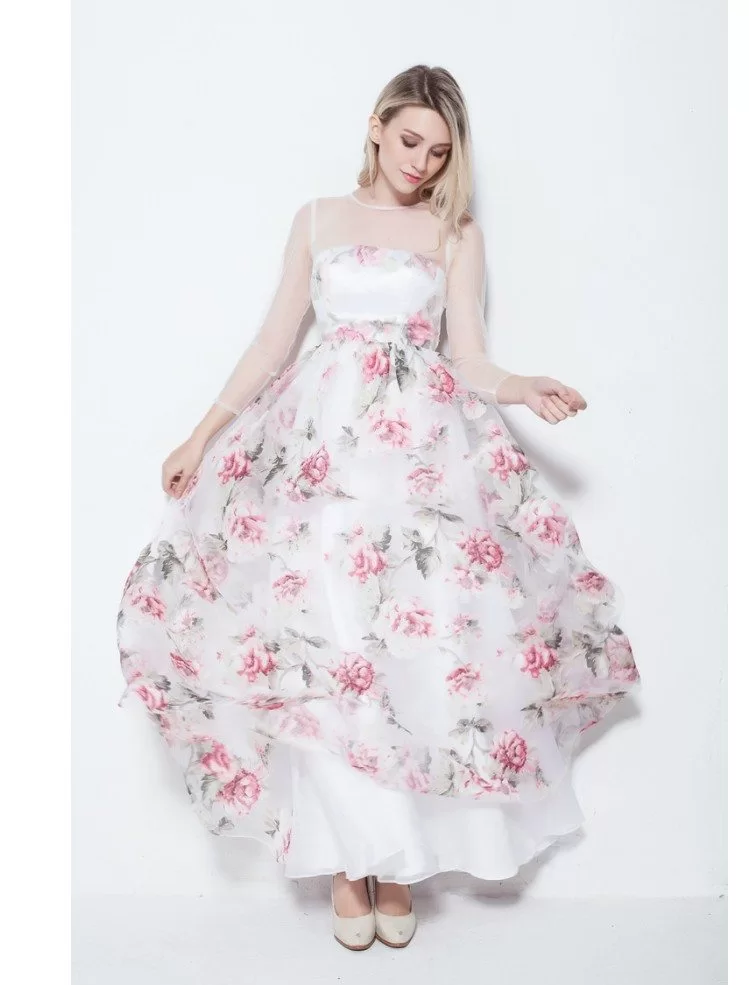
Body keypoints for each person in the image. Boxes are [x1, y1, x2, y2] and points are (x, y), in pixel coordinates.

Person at [116, 64, 641, 951]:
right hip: (321, 462)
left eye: (438, 152)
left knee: (410, 651)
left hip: (420, 469)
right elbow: (274, 343)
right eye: (409, 141)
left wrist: (520, 384)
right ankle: (346, 861)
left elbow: (468, 356)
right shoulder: (317, 219)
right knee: (332, 648)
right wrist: (201, 435)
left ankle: (395, 858)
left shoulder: (455, 231)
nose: (420, 164)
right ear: (375, 126)